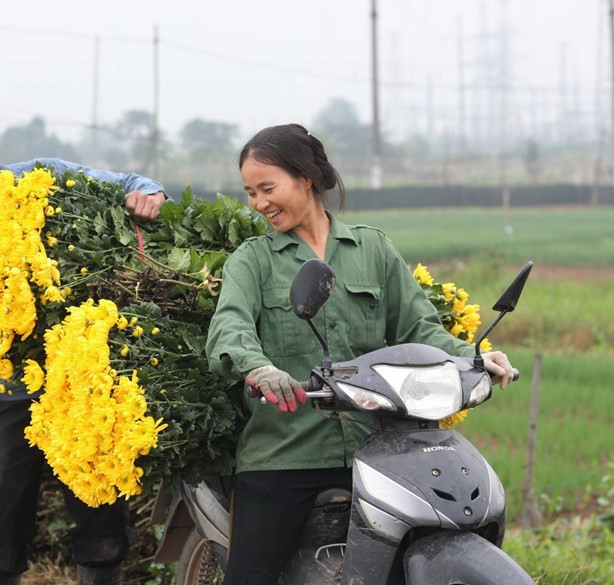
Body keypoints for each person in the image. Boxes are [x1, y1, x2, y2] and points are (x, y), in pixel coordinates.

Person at [204, 123, 516, 585]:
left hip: (379, 448)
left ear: (305, 178)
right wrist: (259, 367)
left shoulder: (372, 249)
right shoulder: (253, 260)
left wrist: (475, 358)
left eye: (267, 188)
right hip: (286, 453)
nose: (258, 203)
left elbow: (419, 326)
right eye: (250, 193)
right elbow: (229, 329)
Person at [0, 108, 168, 585]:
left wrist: (148, 195)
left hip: (87, 385)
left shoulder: (44, 177)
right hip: (12, 387)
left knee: (100, 521)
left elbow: (128, 180)